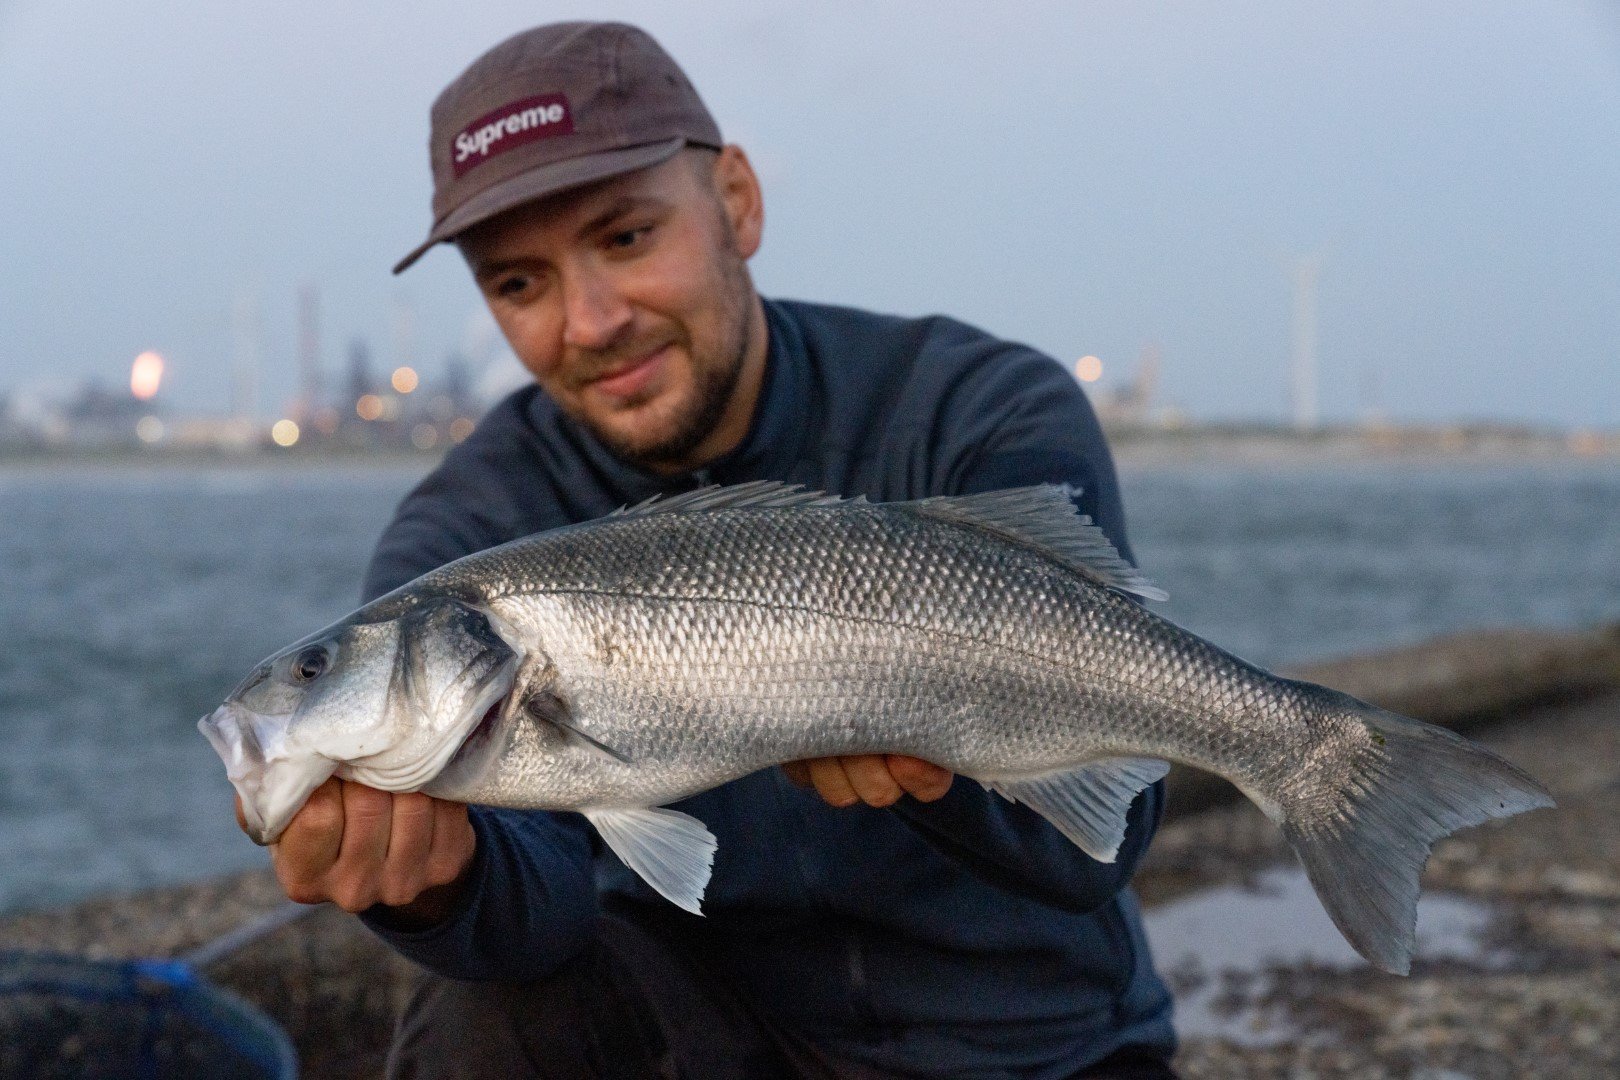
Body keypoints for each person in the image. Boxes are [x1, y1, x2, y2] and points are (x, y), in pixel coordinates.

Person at [248, 21, 1177, 1080]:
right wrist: (440, 885)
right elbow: (539, 904)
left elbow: (1105, 833)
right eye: (519, 284)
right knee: (480, 1024)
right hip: (718, 1035)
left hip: (1044, 1048)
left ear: (737, 200)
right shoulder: (466, 537)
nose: (590, 320)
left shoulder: (979, 409)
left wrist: (936, 752)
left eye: (626, 237)